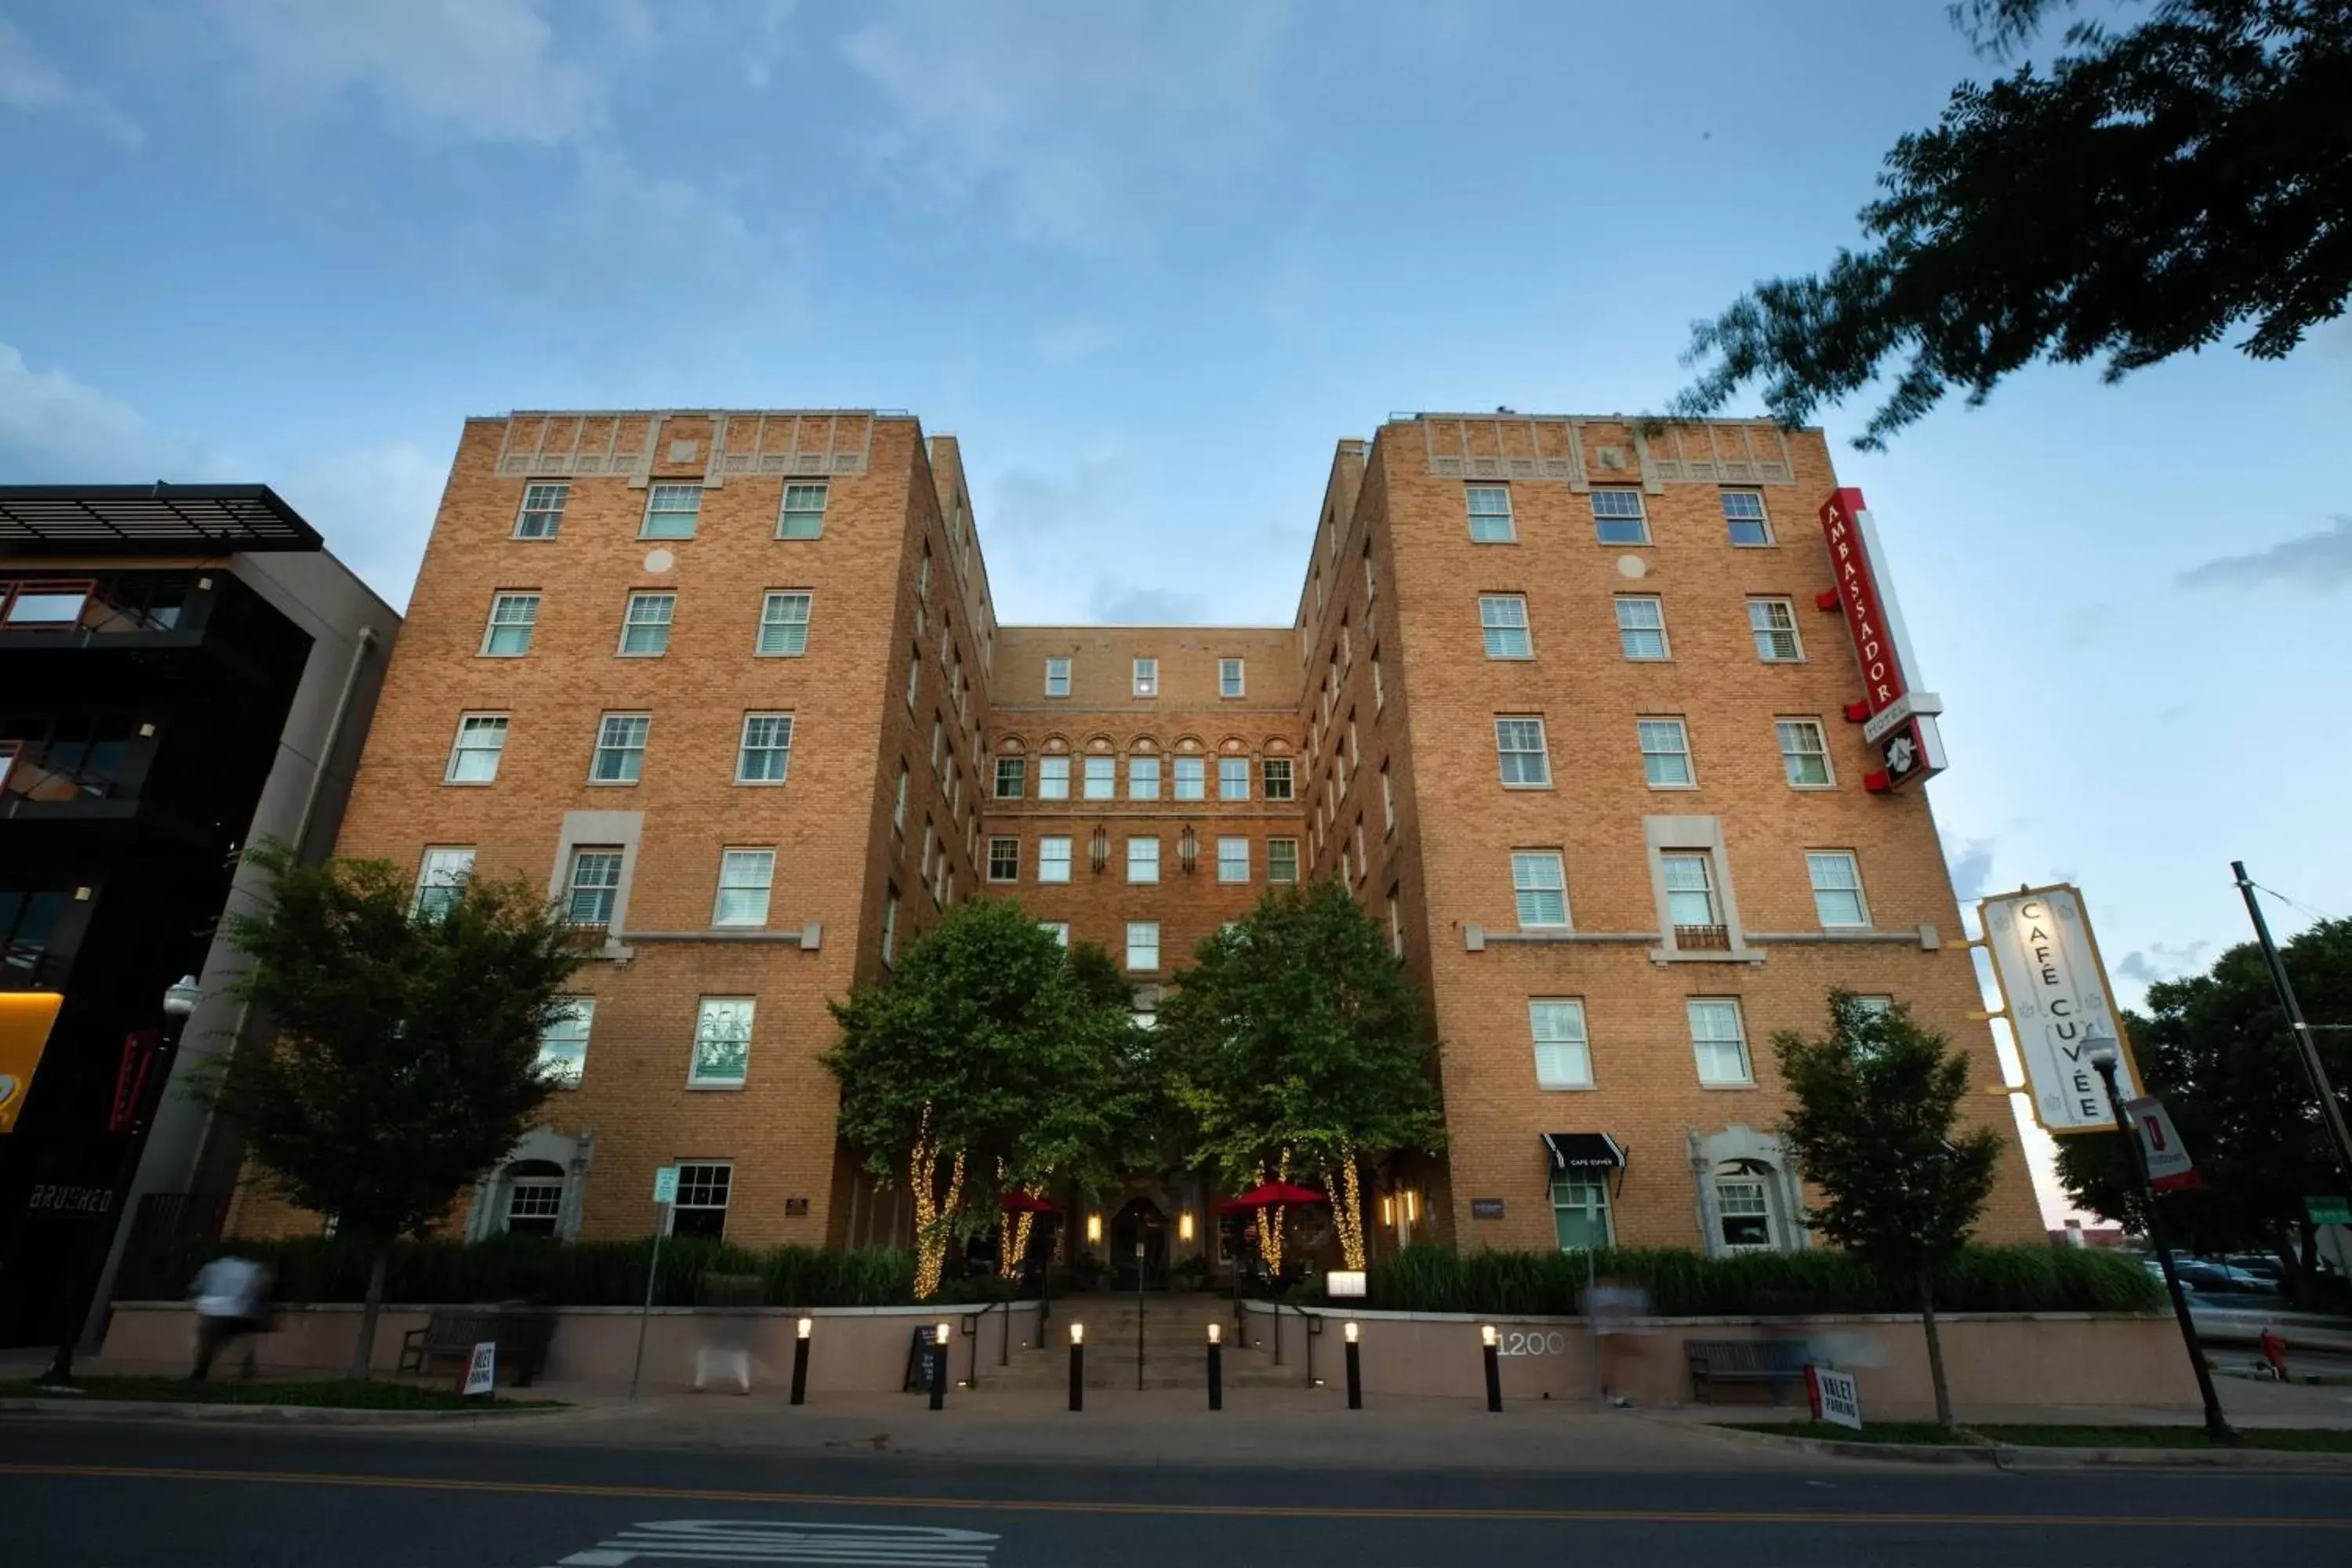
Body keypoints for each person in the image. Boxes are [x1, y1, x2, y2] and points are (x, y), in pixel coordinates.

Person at [187, 1253, 271, 1381]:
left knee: (207, 1343)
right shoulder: (252, 1268)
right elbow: (261, 1287)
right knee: (245, 1340)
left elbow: (196, 1288)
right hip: (240, 1311)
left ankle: (200, 1372)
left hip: (213, 1310)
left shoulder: (213, 1267)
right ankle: (246, 1368)